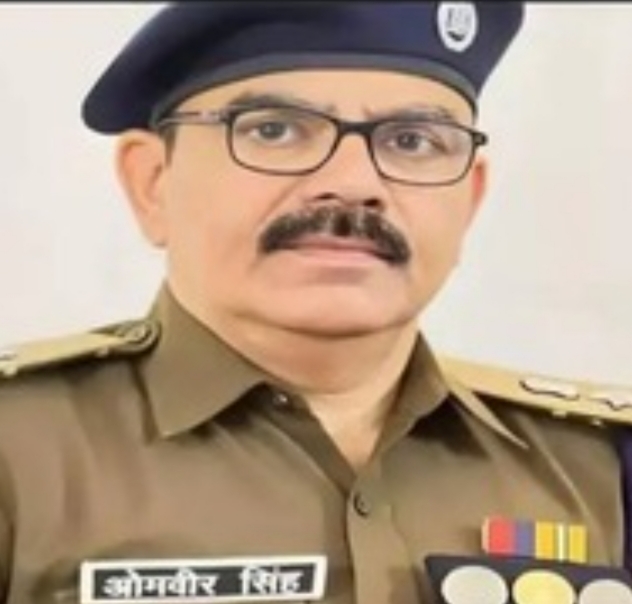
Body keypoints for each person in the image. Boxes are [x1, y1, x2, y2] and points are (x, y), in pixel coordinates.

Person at [0, 2, 630, 603]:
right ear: (153, 183)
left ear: (469, 200)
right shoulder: (20, 453)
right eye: (275, 131)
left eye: (413, 141)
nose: (353, 184)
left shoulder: (598, 467)